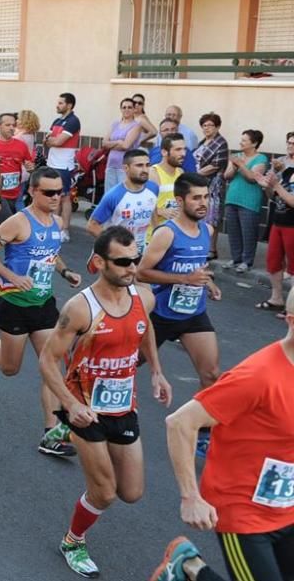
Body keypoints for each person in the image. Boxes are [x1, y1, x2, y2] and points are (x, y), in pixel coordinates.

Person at [40, 226, 172, 578]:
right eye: (123, 261)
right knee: (105, 493)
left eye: (135, 260)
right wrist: (69, 404)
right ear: (99, 262)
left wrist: (156, 372)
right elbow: (47, 360)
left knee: (132, 492)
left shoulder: (143, 297)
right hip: (85, 412)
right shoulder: (81, 309)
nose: (132, 267)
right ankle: (73, 541)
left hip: (124, 407)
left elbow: (145, 330)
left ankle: (67, 440)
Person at [164, 292, 294, 581]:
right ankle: (187, 567)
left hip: (287, 507)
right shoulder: (258, 376)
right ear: (291, 321)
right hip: (243, 512)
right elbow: (180, 423)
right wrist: (190, 497)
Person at [0, 167, 82, 457]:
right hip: (13, 305)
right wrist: (11, 277)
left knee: (51, 368)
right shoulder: (18, 222)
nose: (56, 197)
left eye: (59, 192)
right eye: (49, 192)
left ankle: (50, 434)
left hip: (43, 304)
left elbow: (50, 254)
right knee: (9, 369)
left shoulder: (55, 222)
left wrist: (65, 271)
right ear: (33, 191)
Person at [138, 172, 222, 456]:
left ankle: (203, 433)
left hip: (193, 314)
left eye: (206, 197)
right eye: (196, 198)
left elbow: (196, 266)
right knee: (124, 364)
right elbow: (141, 271)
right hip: (160, 315)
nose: (203, 203)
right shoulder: (167, 233)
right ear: (179, 200)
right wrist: (184, 280)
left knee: (211, 373)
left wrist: (207, 282)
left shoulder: (207, 231)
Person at [86, 149, 157, 255]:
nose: (145, 169)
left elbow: (153, 213)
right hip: (118, 254)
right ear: (126, 168)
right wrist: (115, 246)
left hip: (141, 251)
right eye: (139, 165)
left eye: (147, 165)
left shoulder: (153, 188)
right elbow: (92, 225)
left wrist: (155, 240)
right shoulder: (114, 195)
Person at [256, 136, 294, 313]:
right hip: (278, 221)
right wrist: (267, 186)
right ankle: (276, 298)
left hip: (292, 224)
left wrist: (276, 185)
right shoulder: (284, 169)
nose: (290, 146)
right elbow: (274, 197)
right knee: (273, 261)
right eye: (289, 142)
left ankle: (292, 307)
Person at [222, 129, 268, 273]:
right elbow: (226, 176)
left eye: (244, 140)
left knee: (248, 232)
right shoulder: (236, 156)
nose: (240, 142)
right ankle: (235, 258)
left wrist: (241, 164)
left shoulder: (261, 159)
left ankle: (247, 261)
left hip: (249, 201)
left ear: (254, 143)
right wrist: (234, 166)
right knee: (233, 231)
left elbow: (252, 178)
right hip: (232, 198)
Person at [45, 93, 82, 242]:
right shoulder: (57, 120)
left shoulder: (73, 121)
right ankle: (54, 226)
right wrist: (52, 140)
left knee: (65, 197)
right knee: (54, 196)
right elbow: (47, 140)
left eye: (61, 103)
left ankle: (64, 229)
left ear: (69, 105)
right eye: (58, 102)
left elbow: (59, 141)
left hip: (64, 165)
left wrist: (53, 140)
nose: (57, 105)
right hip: (52, 163)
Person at [193, 113, 229, 260]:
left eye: (210, 125)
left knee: (212, 217)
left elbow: (215, 165)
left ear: (218, 127)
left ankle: (211, 250)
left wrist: (195, 173)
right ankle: (201, 246)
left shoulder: (221, 143)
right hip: (198, 183)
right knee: (199, 216)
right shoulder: (203, 142)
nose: (207, 128)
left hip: (212, 185)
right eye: (204, 125)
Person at [0, 112, 34, 223]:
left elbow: (30, 166)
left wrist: (31, 168)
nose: (11, 128)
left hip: (14, 194)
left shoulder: (21, 145)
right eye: (8, 125)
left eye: (14, 125)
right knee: (10, 224)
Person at [148, 133, 187, 241]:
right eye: (178, 150)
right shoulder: (153, 173)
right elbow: (145, 204)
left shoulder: (180, 172)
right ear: (164, 152)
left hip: (175, 234)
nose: (183, 153)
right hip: (154, 235)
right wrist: (161, 211)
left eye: (184, 149)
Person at [102, 98, 143, 189]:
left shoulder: (136, 126)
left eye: (129, 107)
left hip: (125, 167)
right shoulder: (115, 124)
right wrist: (118, 142)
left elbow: (126, 146)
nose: (126, 109)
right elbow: (104, 143)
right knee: (109, 195)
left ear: (134, 109)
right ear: (120, 109)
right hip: (111, 165)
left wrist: (111, 145)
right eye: (124, 107)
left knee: (123, 194)